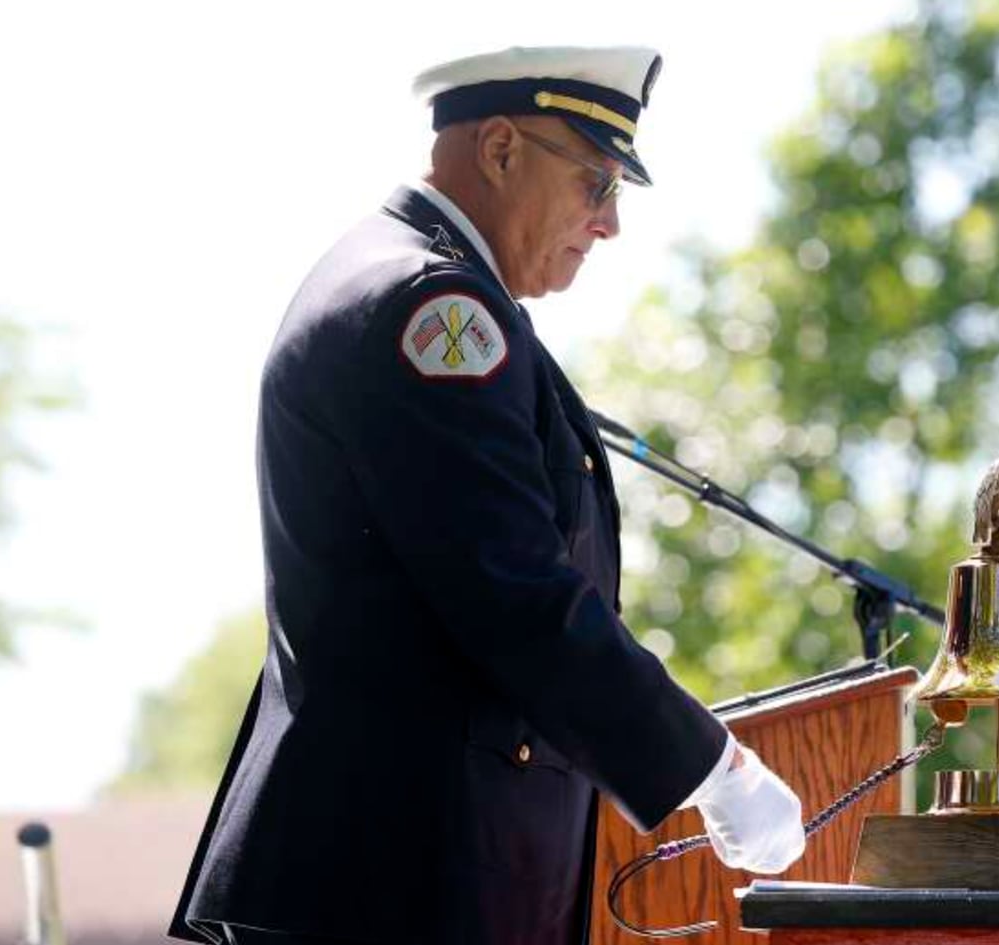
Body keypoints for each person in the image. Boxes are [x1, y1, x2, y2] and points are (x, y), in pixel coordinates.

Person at [169, 46, 806, 945]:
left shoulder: (427, 290)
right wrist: (714, 767)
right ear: (501, 148)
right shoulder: (430, 308)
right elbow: (516, 592)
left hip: (403, 880)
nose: (610, 223)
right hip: (393, 887)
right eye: (597, 183)